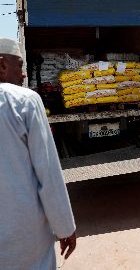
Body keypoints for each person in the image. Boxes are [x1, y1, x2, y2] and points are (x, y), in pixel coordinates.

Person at [0, 38, 76, 269]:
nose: (23, 75)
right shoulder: (25, 101)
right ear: (2, 65)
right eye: (20, 66)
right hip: (21, 229)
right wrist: (65, 227)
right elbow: (48, 172)